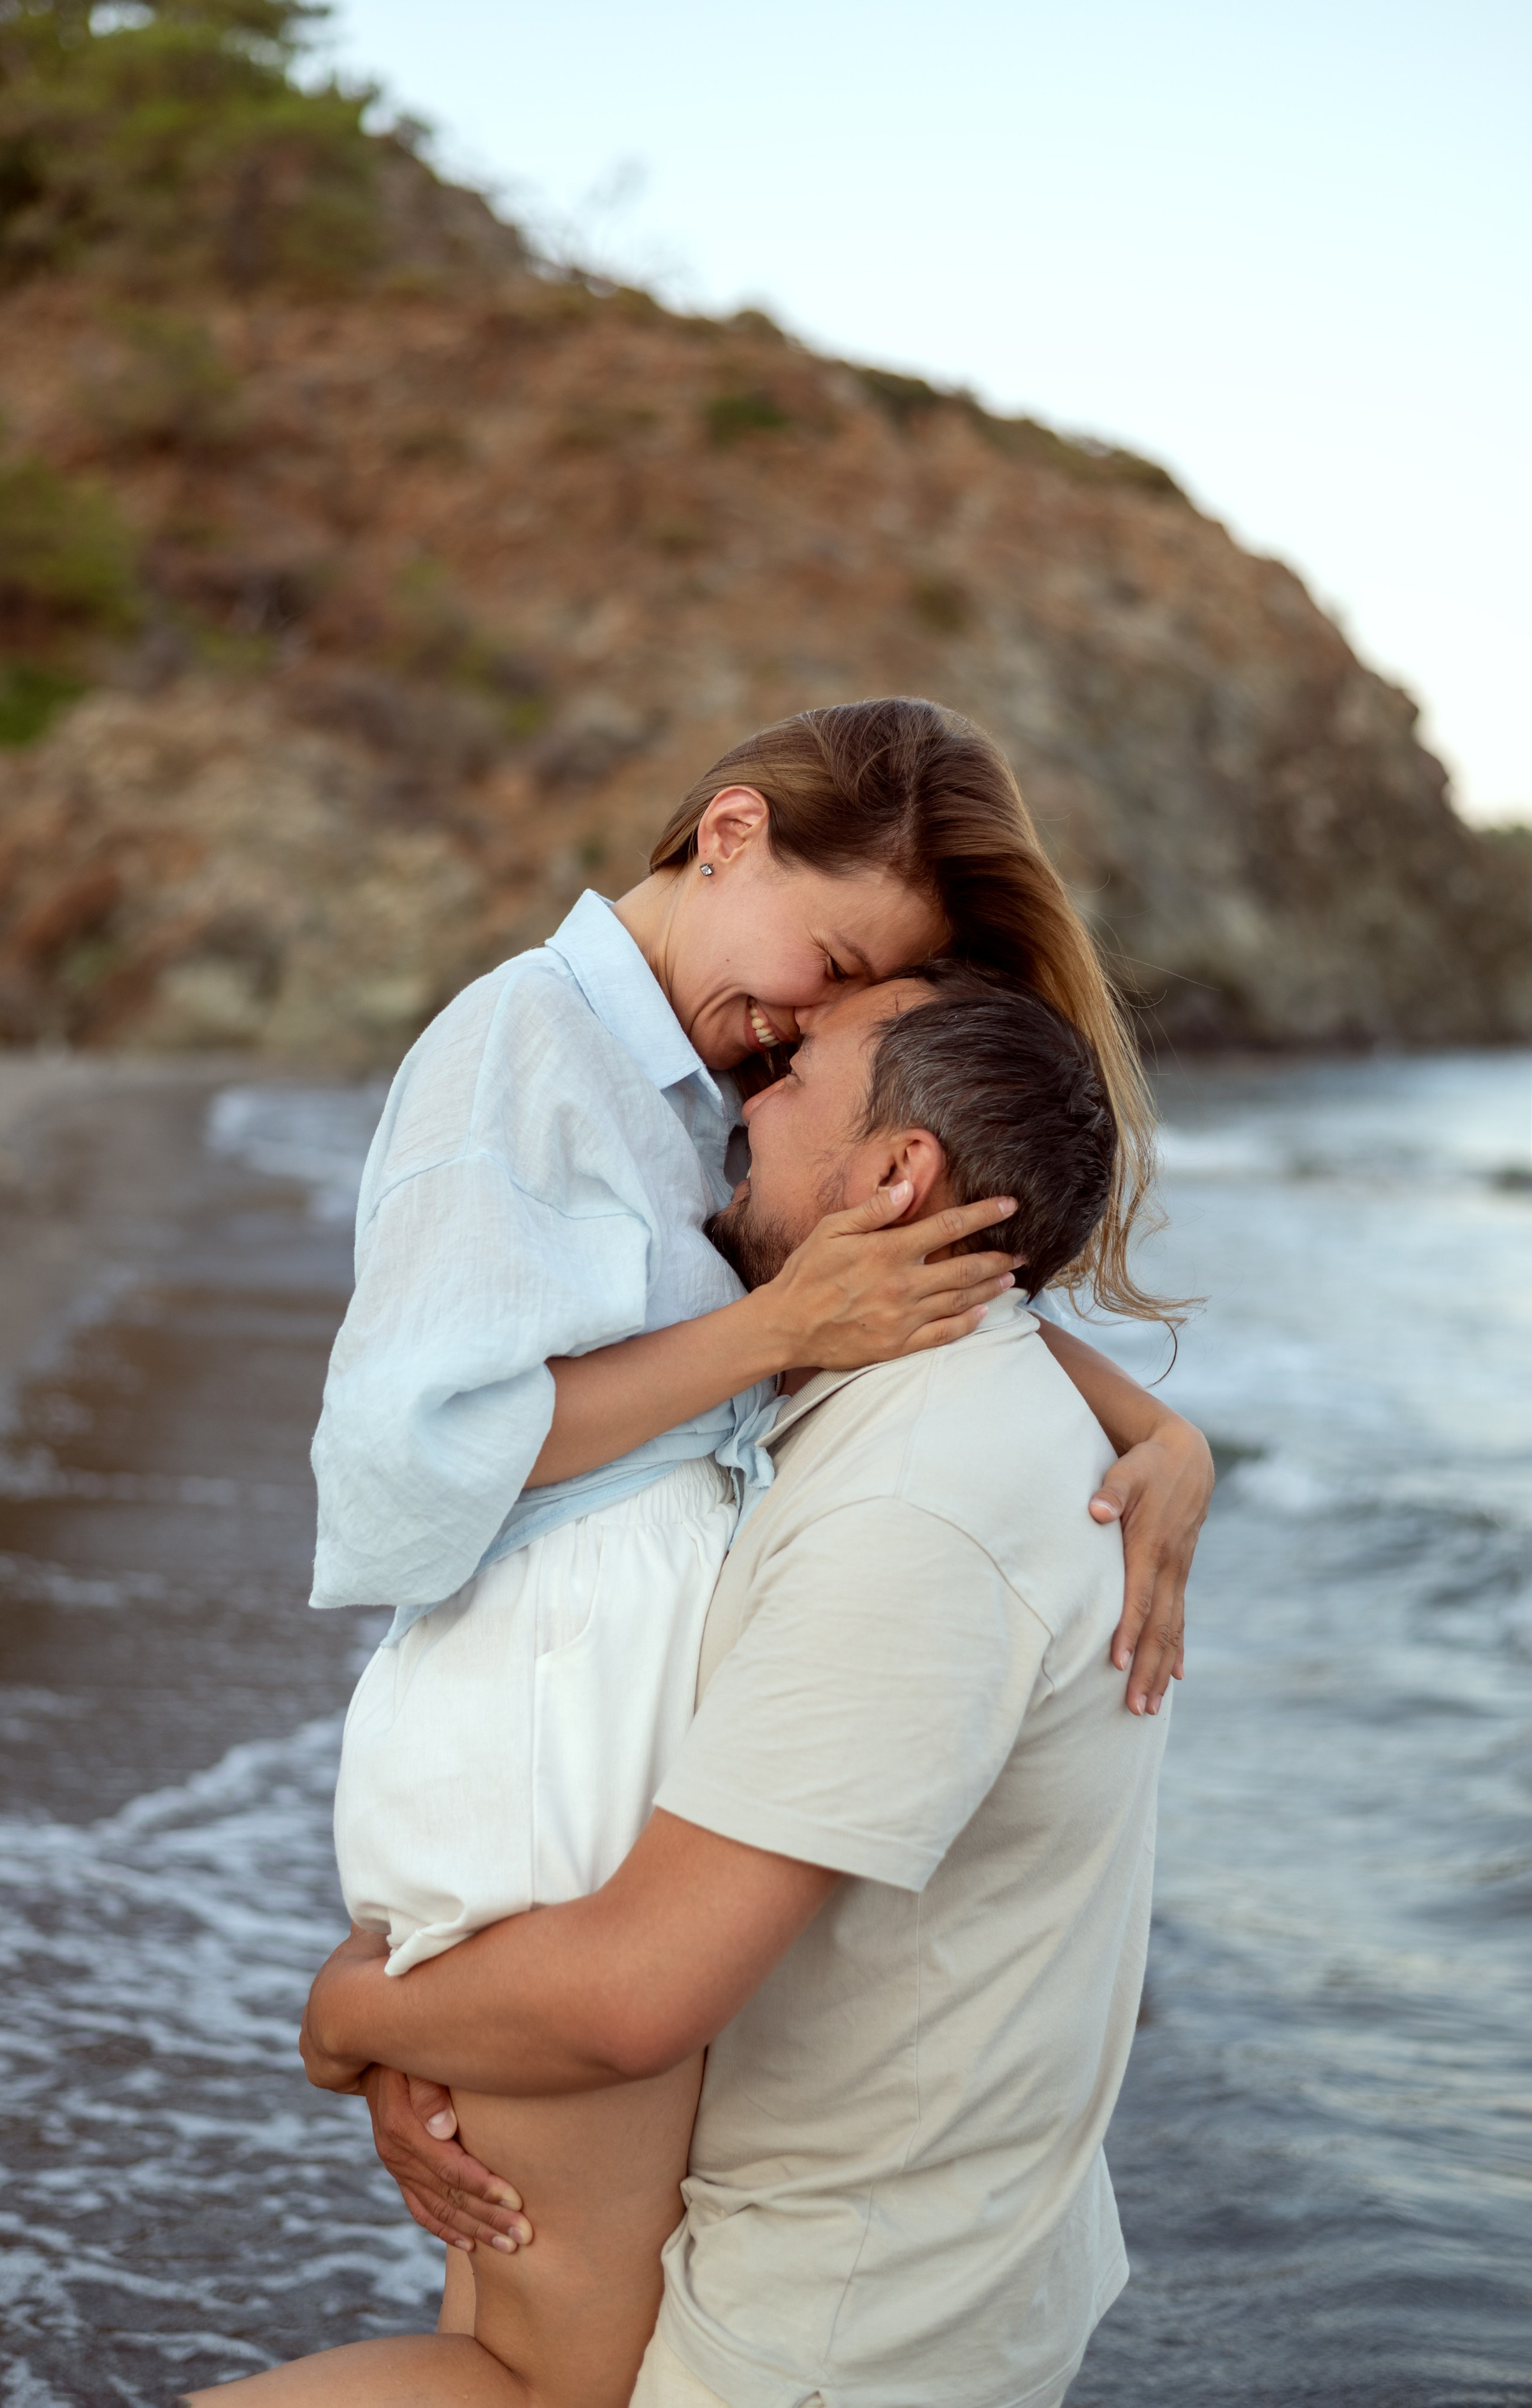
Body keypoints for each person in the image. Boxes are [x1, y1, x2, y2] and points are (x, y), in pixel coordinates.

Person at [193, 702, 1209, 2400]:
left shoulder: (677, 1078)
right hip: (551, 1726)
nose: (801, 1022)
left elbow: (848, 1268)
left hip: (585, 1718)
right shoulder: (527, 1041)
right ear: (725, 832)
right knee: (547, 2376)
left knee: (510, 2342)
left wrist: (1148, 1422)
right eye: (829, 964)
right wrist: (382, 2011)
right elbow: (398, 1455)